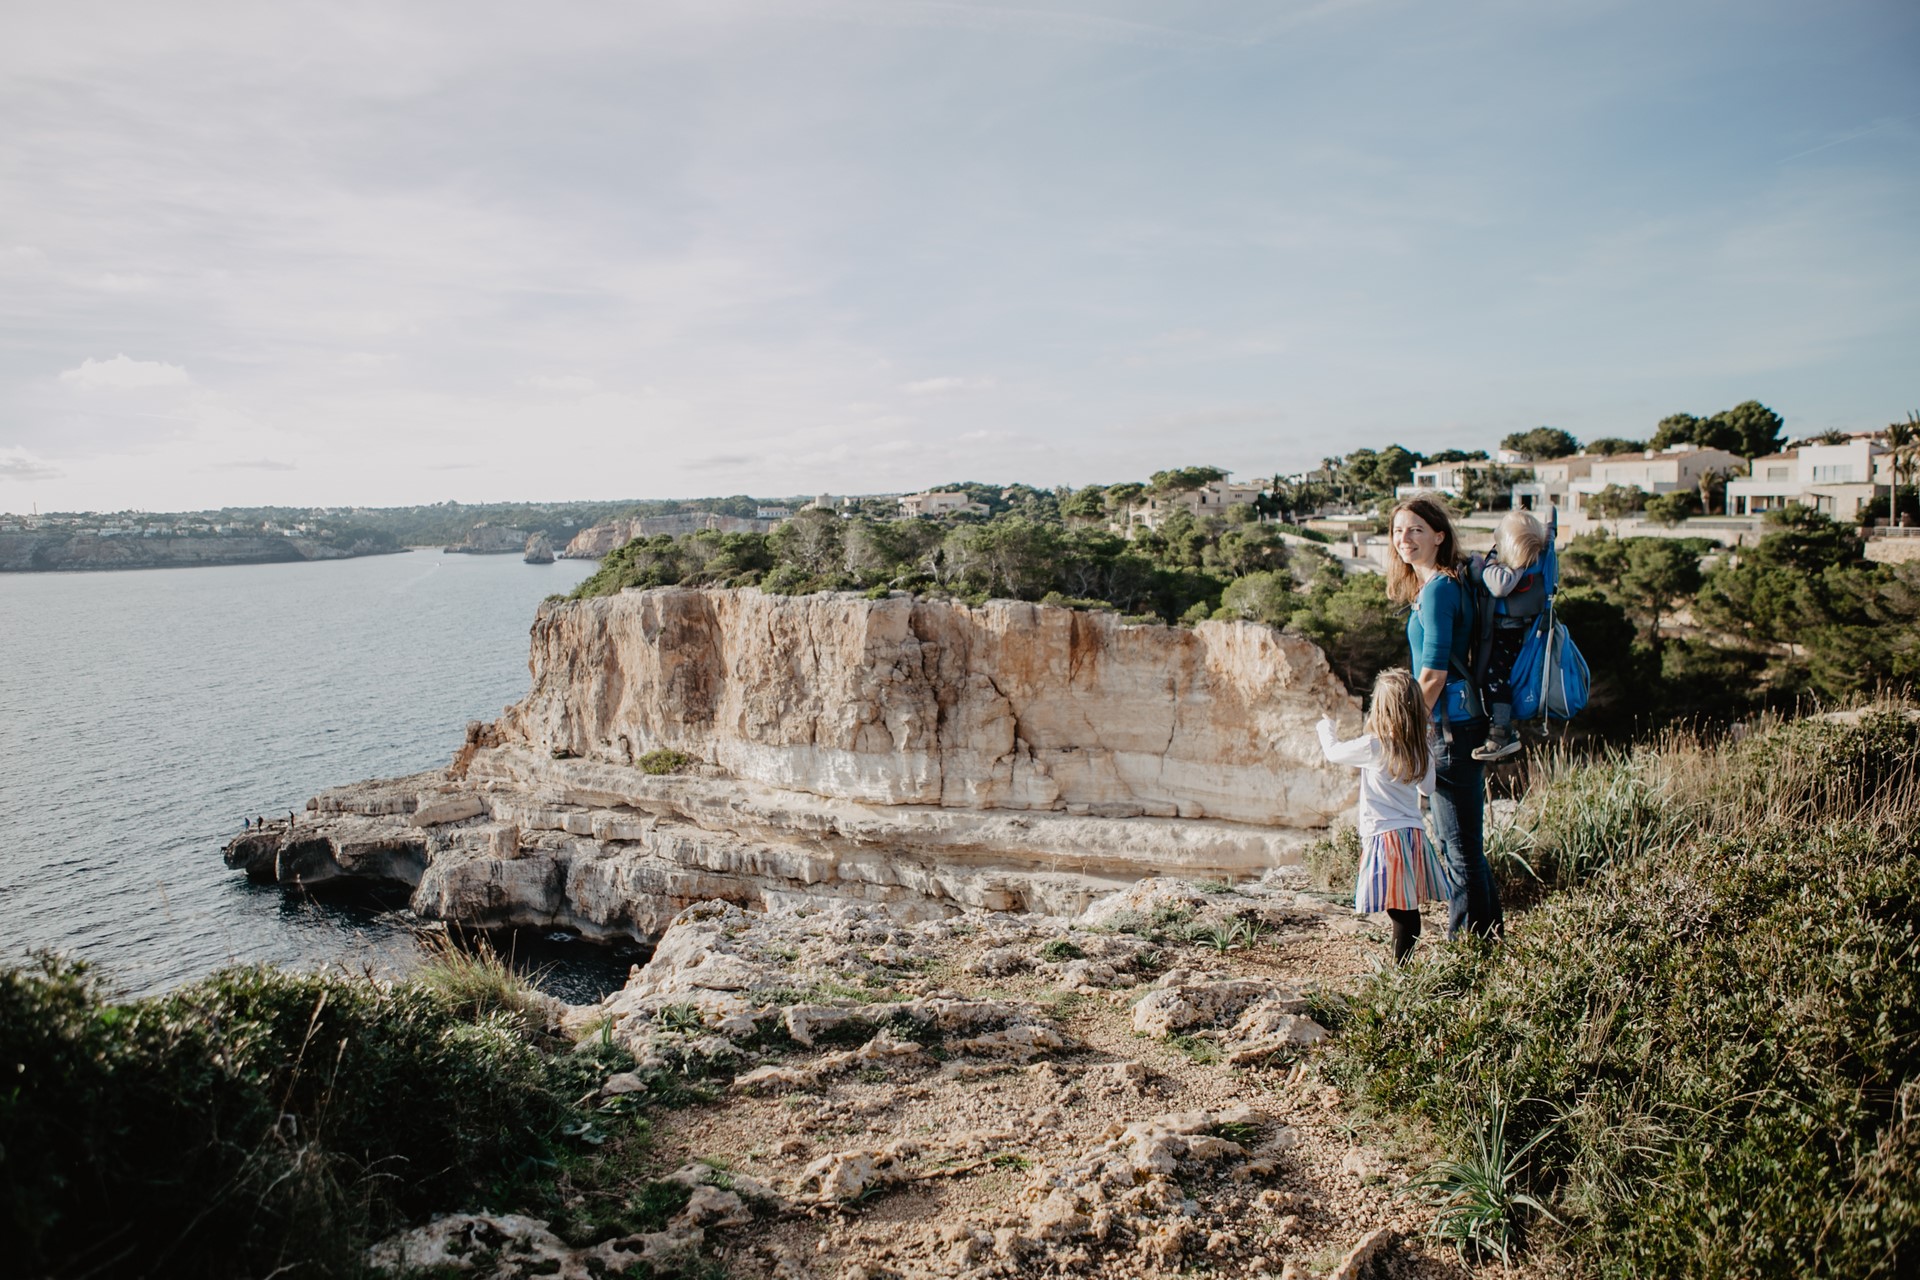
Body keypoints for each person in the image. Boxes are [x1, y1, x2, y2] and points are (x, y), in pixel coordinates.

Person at [1386, 496, 1502, 939]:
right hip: (1460, 720)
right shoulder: (1445, 586)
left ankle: (1467, 951)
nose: (1404, 539)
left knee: (1457, 847)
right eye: (1398, 531)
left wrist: (1407, 731)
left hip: (1447, 727)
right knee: (1465, 844)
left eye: (1415, 529)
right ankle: (1488, 944)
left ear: (1439, 535)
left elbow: (1432, 675)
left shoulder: (1437, 591)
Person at [1315, 669, 1459, 963]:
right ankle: (1401, 966)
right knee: (1403, 908)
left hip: (1385, 836)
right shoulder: (1420, 747)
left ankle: (1400, 971)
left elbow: (1332, 752)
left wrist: (1325, 726)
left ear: (1380, 708)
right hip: (1411, 834)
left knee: (1402, 911)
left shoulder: (1374, 746)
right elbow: (1428, 788)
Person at [1472, 508, 1549, 763]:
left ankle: (1501, 732)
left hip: (1508, 633)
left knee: (1495, 678)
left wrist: (1489, 564)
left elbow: (1498, 585)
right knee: (1489, 677)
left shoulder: (1517, 565)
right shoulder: (1517, 563)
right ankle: (1502, 730)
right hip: (1502, 630)